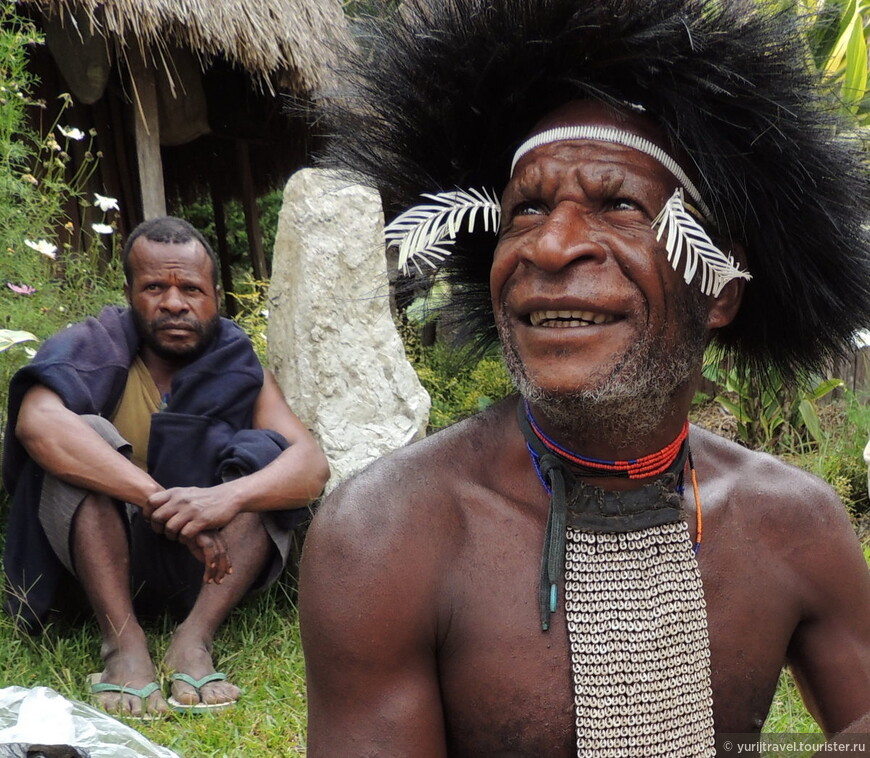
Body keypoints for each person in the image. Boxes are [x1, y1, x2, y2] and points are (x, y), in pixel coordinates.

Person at [299, 0, 870, 755]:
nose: (553, 244)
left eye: (618, 204)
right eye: (527, 209)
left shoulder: (797, 524)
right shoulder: (385, 537)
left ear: (721, 290)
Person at [3, 216, 330, 718]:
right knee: (85, 437)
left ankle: (194, 638)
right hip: (101, 559)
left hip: (209, 566)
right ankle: (123, 644)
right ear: (130, 293)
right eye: (155, 287)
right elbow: (37, 423)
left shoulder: (241, 365)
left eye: (192, 289)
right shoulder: (92, 345)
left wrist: (224, 498)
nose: (174, 303)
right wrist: (159, 500)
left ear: (216, 296)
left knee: (267, 457)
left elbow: (310, 465)